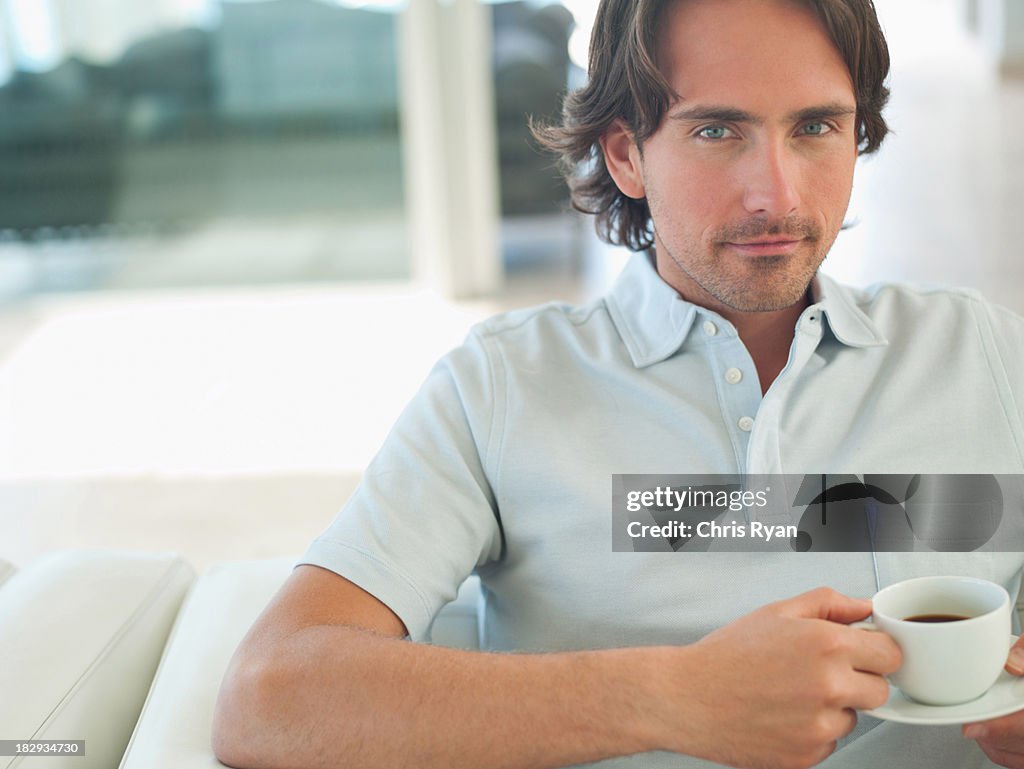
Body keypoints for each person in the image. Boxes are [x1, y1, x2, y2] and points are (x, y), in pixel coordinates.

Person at [212, 0, 1024, 767]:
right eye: (716, 129)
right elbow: (270, 695)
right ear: (625, 152)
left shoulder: (983, 352)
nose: (775, 193)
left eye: (815, 126)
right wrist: (672, 697)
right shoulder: (503, 386)